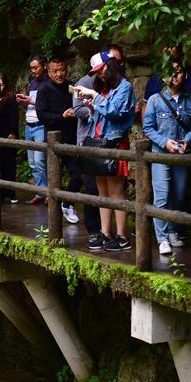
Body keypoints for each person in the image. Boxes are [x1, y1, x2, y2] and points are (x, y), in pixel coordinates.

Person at [142, 61, 191, 255]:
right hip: (161, 153)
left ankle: (173, 230)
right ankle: (161, 238)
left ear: (185, 75)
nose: (175, 76)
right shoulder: (155, 99)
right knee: (162, 195)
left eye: (179, 72)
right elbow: (148, 127)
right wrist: (164, 142)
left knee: (180, 193)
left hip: (182, 153)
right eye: (171, 72)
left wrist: (188, 139)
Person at [77, 55, 136, 251]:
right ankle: (105, 232)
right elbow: (100, 117)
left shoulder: (124, 87)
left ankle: (122, 236)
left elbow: (116, 112)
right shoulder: (105, 89)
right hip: (99, 142)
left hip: (115, 143)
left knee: (116, 191)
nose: (100, 75)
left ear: (111, 67)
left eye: (102, 70)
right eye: (97, 72)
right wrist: (92, 108)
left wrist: (94, 97)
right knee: (102, 190)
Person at [72, 48, 124, 245]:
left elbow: (116, 112)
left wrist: (96, 103)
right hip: (89, 140)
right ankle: (96, 231)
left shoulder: (117, 87)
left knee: (110, 190)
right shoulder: (88, 84)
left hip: (107, 141)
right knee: (93, 188)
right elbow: (79, 110)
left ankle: (113, 234)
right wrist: (93, 108)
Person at [36, 55, 80, 223]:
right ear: (48, 71)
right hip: (54, 140)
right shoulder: (44, 90)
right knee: (55, 178)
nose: (59, 74)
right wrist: (61, 116)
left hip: (73, 138)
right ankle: (54, 217)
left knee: (78, 174)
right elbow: (41, 115)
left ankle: (67, 203)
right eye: (55, 71)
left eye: (62, 70)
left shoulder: (72, 87)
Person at [15, 55, 49, 204]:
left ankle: (48, 192)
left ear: (44, 66)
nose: (33, 70)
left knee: (40, 161)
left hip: (41, 125)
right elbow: (32, 105)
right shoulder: (33, 83)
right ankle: (40, 192)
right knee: (33, 163)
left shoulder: (49, 84)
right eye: (31, 68)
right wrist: (24, 101)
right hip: (29, 125)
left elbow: (47, 104)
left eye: (36, 67)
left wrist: (32, 101)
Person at [0, 72, 20, 203]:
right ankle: (0, 192)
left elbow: (14, 116)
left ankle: (11, 192)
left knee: (9, 164)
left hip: (8, 133)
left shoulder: (10, 97)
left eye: (1, 85)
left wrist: (13, 132)